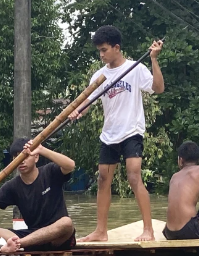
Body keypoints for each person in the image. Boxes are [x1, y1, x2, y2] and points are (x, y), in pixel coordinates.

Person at [69, 25, 164, 242]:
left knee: (133, 175)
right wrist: (78, 111)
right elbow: (87, 102)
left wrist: (154, 60)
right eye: (99, 51)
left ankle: (148, 229)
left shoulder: (135, 68)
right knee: (103, 178)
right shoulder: (99, 75)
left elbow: (158, 88)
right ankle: (101, 231)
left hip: (132, 131)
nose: (101, 55)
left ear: (116, 48)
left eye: (104, 50)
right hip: (109, 134)